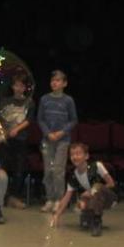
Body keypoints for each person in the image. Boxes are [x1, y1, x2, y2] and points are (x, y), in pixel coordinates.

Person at [51, 142, 117, 237]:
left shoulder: (97, 166)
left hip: (108, 197)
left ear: (86, 156)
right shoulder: (73, 176)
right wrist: (57, 215)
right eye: (72, 154)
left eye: (78, 154)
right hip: (93, 198)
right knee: (81, 205)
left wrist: (91, 191)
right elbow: (66, 198)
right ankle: (89, 216)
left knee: (96, 187)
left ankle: (97, 221)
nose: (75, 157)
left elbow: (111, 184)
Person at [37, 70, 78, 213]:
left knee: (58, 171)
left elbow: (73, 120)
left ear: (64, 83)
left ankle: (59, 200)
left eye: (58, 80)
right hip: (47, 139)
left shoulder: (68, 100)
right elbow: (40, 119)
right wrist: (48, 133)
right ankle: (50, 199)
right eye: (53, 80)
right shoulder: (44, 99)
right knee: (48, 170)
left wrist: (61, 132)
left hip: (63, 140)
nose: (54, 83)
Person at [0, 74, 35, 209]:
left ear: (25, 88)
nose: (18, 88)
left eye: (21, 86)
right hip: (6, 140)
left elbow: (29, 120)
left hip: (20, 139)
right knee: (3, 168)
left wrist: (16, 129)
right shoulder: (5, 101)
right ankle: (1, 196)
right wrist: (5, 130)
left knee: (19, 170)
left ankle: (14, 197)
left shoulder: (29, 102)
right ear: (12, 87)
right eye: (16, 85)